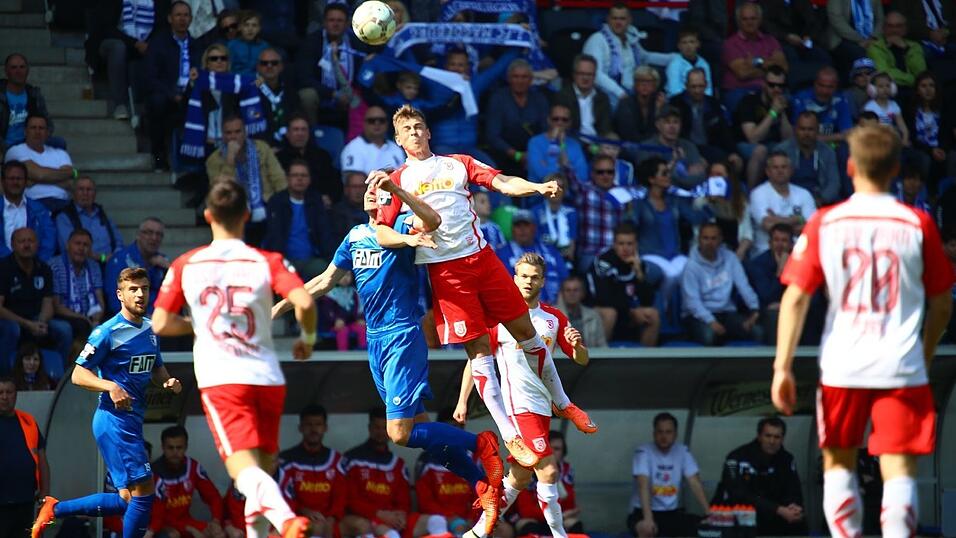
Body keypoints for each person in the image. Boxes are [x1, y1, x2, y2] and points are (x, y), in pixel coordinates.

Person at [272, 177, 504, 533]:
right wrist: (276, 310)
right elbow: (322, 282)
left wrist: (401, 201)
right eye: (368, 188)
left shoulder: (402, 224)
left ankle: (480, 443)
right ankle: (481, 484)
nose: (370, 191)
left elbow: (434, 221)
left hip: (402, 335)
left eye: (379, 188)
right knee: (424, 430)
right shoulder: (353, 237)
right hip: (376, 341)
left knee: (398, 433)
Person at [772, 123, 955, 538]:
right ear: (895, 170)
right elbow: (943, 302)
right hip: (902, 365)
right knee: (899, 469)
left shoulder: (825, 221)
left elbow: (796, 297)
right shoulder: (918, 223)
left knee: (838, 465)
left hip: (843, 365)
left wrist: (781, 367)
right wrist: (923, 354)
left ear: (850, 165)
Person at [372, 105, 574, 467]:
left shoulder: (458, 163)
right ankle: (510, 435)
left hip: (483, 260)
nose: (416, 132)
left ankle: (562, 400)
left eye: (420, 126)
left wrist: (537, 187)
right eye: (408, 129)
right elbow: (382, 231)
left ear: (429, 132)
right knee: (480, 352)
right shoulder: (396, 180)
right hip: (448, 275)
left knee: (527, 333)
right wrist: (410, 242)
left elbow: (502, 182)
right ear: (399, 140)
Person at [151, 180, 318, 538]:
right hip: (268, 377)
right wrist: (307, 339)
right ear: (246, 214)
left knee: (243, 471)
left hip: (222, 377)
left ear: (208, 215)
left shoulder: (186, 264)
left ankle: (286, 520)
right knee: (262, 472)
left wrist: (198, 323)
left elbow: (161, 323)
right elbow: (304, 302)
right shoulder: (266, 260)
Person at [32, 267, 183, 538]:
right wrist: (110, 385)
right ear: (120, 294)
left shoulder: (150, 328)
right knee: (145, 492)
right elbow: (78, 374)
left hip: (132, 421)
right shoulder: (107, 332)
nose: (140, 294)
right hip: (113, 420)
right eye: (133, 289)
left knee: (127, 498)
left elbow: (157, 368)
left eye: (144, 288)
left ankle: (54, 509)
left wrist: (167, 382)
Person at [460, 253, 593, 538]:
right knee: (548, 472)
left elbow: (581, 360)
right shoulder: (499, 319)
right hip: (518, 407)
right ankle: (560, 535)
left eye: (534, 277)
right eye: (523, 275)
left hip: (543, 407)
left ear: (543, 281)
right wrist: (462, 400)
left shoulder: (553, 318)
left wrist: (578, 346)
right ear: (514, 278)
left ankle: (476, 533)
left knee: (519, 478)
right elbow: (477, 360)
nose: (528, 281)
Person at [632, 156, 711, 308]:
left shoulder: (674, 200)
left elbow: (694, 218)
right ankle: (663, 308)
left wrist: (710, 206)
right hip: (650, 254)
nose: (669, 176)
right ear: (651, 179)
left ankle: (688, 313)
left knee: (693, 270)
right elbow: (631, 227)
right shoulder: (639, 204)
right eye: (664, 173)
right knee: (671, 274)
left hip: (675, 254)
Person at [712, 418, 807, 536]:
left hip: (773, 516)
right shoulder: (737, 457)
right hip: (736, 517)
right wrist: (777, 509)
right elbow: (737, 493)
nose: (772, 441)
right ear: (759, 436)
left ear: (782, 439)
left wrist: (794, 506)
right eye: (768, 436)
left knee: (799, 522)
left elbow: (794, 489)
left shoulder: (787, 459)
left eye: (777, 437)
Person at [0, 228, 71, 379]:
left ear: (37, 244)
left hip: (36, 319)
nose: (26, 245)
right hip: (11, 320)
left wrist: (41, 322)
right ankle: (6, 379)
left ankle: (60, 380)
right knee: (12, 330)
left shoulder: (44, 268)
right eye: (22, 241)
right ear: (12, 245)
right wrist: (27, 324)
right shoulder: (3, 268)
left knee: (64, 329)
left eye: (30, 241)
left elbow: (48, 302)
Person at [629, 413, 709, 538]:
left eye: (668, 432)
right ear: (654, 433)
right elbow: (643, 485)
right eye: (660, 432)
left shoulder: (683, 451)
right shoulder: (643, 452)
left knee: (704, 526)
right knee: (647, 529)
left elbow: (695, 483)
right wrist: (648, 519)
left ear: (675, 434)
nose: (664, 436)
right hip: (643, 512)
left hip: (672, 513)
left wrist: (709, 513)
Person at [144, 0, 203, 170]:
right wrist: (172, 94)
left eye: (186, 15)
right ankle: (159, 155)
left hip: (191, 93)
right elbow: (150, 77)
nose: (182, 19)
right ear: (170, 18)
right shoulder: (158, 43)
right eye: (178, 15)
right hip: (167, 94)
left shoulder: (197, 45)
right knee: (157, 102)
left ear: (191, 19)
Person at [681, 222, 763, 345]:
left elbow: (743, 286)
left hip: (727, 313)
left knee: (758, 331)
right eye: (705, 238)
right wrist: (711, 321)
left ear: (720, 240)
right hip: (699, 316)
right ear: (698, 240)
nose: (709, 243)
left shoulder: (730, 258)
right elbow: (692, 302)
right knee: (710, 336)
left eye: (714, 238)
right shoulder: (690, 266)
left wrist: (754, 309)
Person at [582, 3, 676, 104]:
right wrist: (620, 93)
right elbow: (596, 74)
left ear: (629, 20)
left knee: (662, 101)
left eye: (622, 19)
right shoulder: (597, 40)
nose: (618, 22)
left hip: (632, 91)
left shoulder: (630, 38)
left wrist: (675, 57)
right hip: (607, 93)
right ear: (608, 19)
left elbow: (645, 57)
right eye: (615, 18)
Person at [206, 115, 288, 231]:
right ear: (223, 136)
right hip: (235, 210)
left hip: (267, 204)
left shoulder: (262, 148)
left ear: (245, 132)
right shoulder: (213, 160)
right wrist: (230, 160)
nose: (233, 136)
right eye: (228, 133)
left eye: (237, 132)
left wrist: (283, 204)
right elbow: (221, 192)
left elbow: (278, 178)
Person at [587, 223, 662, 346]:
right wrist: (630, 312)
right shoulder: (603, 263)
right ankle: (599, 359)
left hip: (627, 313)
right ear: (614, 244)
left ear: (636, 245)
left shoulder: (639, 264)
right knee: (610, 313)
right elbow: (603, 298)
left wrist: (639, 274)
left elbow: (648, 300)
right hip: (599, 312)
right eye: (621, 244)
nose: (625, 248)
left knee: (652, 314)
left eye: (629, 244)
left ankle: (645, 361)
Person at [277, 405, 347, 537]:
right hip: (297, 518)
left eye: (318, 424)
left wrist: (332, 517)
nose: (313, 429)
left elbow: (341, 495)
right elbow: (282, 495)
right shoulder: (287, 460)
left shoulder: (336, 459)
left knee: (356, 525)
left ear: (325, 428)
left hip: (329, 519)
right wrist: (303, 511)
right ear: (300, 428)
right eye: (308, 425)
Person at [262, 159, 333, 282]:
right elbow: (274, 237)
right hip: (285, 261)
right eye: (295, 175)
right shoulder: (277, 202)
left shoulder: (315, 201)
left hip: (312, 260)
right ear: (287, 178)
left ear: (310, 179)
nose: (299, 179)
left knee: (329, 273)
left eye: (303, 175)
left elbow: (325, 234)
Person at [149, 425, 225, 538]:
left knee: (218, 534)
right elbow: (158, 515)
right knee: (173, 536)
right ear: (163, 448)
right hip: (159, 524)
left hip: (185, 521)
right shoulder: (154, 473)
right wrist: (189, 529)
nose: (175, 452)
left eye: (179, 448)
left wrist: (216, 521)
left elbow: (214, 497)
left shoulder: (193, 467)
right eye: (170, 448)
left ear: (186, 447)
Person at [414, 408, 479, 537]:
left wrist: (472, 518)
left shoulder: (474, 457)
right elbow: (425, 501)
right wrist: (450, 517)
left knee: (500, 528)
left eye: (459, 428)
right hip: (440, 518)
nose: (454, 433)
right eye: (450, 428)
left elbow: (481, 492)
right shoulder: (427, 459)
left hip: (469, 518)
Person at [295, 4, 361, 131]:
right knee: (307, 95)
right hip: (323, 94)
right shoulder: (311, 42)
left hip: (350, 94)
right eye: (331, 20)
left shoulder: (356, 43)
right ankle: (313, 135)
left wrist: (349, 94)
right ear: (324, 22)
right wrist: (334, 94)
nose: (335, 24)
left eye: (339, 21)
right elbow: (305, 78)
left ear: (347, 24)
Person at [0, 375, 50, 535]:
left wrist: (45, 493)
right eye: (0, 392)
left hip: (26, 500)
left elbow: (42, 459)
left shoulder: (28, 420)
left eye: (9, 392)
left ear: (16, 395)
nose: (5, 397)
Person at [484, 59, 550, 176]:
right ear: (509, 79)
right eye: (516, 77)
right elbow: (492, 135)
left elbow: (545, 129)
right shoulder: (498, 98)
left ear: (530, 80)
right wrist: (516, 155)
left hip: (534, 154)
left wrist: (534, 153)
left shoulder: (539, 99)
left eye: (524, 77)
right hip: (504, 156)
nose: (520, 81)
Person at [734, 66, 794, 188]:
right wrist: (772, 112)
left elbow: (788, 138)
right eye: (772, 85)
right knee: (760, 150)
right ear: (764, 84)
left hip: (773, 144)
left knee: (789, 150)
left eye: (780, 86)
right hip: (745, 144)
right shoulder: (749, 102)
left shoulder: (785, 104)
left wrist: (781, 112)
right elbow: (753, 138)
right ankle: (752, 195)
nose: (776, 89)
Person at [748, 151, 816, 256]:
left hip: (800, 253)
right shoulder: (758, 194)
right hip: (766, 253)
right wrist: (797, 219)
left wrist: (776, 219)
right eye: (775, 167)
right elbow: (768, 226)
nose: (780, 171)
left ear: (791, 170)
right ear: (767, 171)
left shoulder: (804, 194)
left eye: (784, 167)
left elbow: (812, 227)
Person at [721, 3, 788, 109]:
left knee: (790, 100)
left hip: (771, 89)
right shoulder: (730, 44)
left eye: (753, 18)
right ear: (739, 22)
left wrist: (757, 62)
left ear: (760, 20)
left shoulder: (771, 41)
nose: (749, 22)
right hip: (741, 91)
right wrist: (770, 66)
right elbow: (743, 73)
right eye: (745, 19)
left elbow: (783, 68)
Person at [495, 210, 568, 305]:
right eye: (518, 226)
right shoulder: (501, 253)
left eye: (526, 225)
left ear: (534, 228)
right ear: (512, 229)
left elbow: (565, 279)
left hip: (555, 305)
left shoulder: (549, 250)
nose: (522, 230)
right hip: (516, 308)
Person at [573, 156, 632, 272]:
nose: (605, 176)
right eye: (600, 172)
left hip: (616, 253)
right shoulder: (583, 191)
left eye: (610, 172)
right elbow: (567, 174)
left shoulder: (623, 194)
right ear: (593, 174)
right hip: (590, 253)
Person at [3, 114, 73, 211]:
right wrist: (63, 176)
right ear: (25, 131)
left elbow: (70, 183)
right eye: (33, 128)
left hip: (62, 204)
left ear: (47, 133)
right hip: (32, 204)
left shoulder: (61, 153)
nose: (37, 131)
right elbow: (40, 175)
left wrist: (34, 180)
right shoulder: (15, 151)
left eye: (41, 128)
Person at [670, 68, 738, 167]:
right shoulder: (675, 103)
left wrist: (733, 152)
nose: (697, 90)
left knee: (734, 162)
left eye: (701, 86)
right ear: (686, 86)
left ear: (706, 85)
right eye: (693, 87)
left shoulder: (713, 104)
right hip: (685, 148)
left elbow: (724, 131)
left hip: (709, 147)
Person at [49, 229, 105, 344]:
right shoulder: (55, 265)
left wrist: (97, 317)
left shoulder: (94, 266)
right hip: (64, 315)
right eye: (77, 244)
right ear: (68, 245)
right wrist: (81, 318)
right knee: (81, 326)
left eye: (85, 245)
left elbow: (99, 298)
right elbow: (56, 305)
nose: (81, 248)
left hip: (89, 315)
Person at [773, 112, 841, 204]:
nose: (806, 133)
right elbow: (775, 182)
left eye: (810, 129)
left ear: (817, 130)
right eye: (802, 129)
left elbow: (834, 183)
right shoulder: (782, 150)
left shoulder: (828, 152)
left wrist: (821, 200)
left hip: (819, 199)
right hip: (789, 200)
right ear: (795, 130)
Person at [104, 217, 168, 314]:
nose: (154, 238)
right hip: (130, 321)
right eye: (149, 232)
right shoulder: (119, 260)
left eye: (159, 234)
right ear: (138, 235)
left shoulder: (163, 262)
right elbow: (115, 303)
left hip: (158, 319)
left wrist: (170, 269)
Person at [635, 105, 707, 189]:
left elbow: (700, 177)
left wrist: (669, 174)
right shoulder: (646, 148)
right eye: (667, 122)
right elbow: (648, 180)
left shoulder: (689, 146)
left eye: (676, 122)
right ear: (658, 125)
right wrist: (682, 172)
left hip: (687, 195)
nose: (672, 127)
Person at [54, 177, 123, 264]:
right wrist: (101, 258)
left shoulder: (103, 215)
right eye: (81, 189)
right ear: (73, 193)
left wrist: (114, 257)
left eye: (89, 190)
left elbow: (119, 242)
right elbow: (69, 248)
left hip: (111, 263)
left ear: (95, 194)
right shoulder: (64, 217)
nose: (85, 193)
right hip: (82, 265)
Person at [746, 223, 794, 345]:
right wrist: (780, 271)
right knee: (774, 314)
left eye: (784, 241)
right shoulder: (759, 264)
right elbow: (767, 296)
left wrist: (786, 304)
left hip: (791, 305)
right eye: (776, 240)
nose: (780, 244)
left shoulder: (799, 260)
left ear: (791, 244)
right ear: (769, 243)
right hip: (764, 309)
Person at [275, 115, 339, 205]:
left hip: (321, 207)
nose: (300, 133)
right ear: (288, 134)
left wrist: (330, 198)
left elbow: (334, 183)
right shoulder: (278, 159)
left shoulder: (322, 156)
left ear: (309, 133)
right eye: (296, 129)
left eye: (303, 129)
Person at [0, 160, 56, 261]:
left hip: (33, 268)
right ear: (3, 182)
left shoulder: (40, 210)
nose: (15, 182)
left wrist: (37, 264)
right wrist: (9, 263)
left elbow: (49, 241)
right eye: (11, 178)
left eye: (19, 178)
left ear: (26, 182)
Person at [0, 53, 51, 155]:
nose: (18, 71)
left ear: (27, 70)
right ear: (6, 71)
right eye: (14, 67)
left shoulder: (34, 94)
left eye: (22, 67)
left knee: (59, 142)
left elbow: (48, 123)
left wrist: (37, 139)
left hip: (30, 144)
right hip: (5, 145)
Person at [551, 54, 612, 137]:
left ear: (594, 76)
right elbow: (564, 127)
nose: (585, 78)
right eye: (581, 73)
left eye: (589, 74)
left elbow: (605, 128)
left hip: (598, 145)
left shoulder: (602, 98)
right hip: (572, 143)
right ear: (574, 74)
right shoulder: (562, 96)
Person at [526, 104, 589, 184]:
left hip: (569, 194)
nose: (560, 123)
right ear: (549, 120)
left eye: (564, 120)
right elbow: (545, 176)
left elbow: (582, 177)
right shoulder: (535, 143)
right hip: (541, 194)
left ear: (569, 123)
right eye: (555, 119)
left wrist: (562, 148)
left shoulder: (575, 144)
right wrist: (553, 144)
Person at [791, 67, 854, 145]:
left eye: (830, 87)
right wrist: (837, 136)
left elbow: (848, 134)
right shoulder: (800, 99)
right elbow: (797, 134)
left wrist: (821, 138)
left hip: (831, 147)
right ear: (815, 83)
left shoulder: (840, 101)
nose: (825, 91)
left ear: (836, 87)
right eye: (821, 85)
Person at [340, 106, 406, 176]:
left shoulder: (396, 149)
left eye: (381, 120)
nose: (377, 123)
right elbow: (354, 182)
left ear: (387, 123)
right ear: (364, 123)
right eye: (371, 121)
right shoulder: (353, 148)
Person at [825, 0, 885, 78]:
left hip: (872, 39)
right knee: (860, 54)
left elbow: (880, 19)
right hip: (844, 39)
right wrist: (860, 39)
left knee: (882, 50)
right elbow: (837, 21)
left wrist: (874, 37)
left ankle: (882, 84)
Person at [867, 12, 927, 90]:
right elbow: (885, 75)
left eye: (898, 26)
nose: (894, 30)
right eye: (890, 26)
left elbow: (921, 73)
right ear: (883, 28)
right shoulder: (875, 47)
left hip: (916, 91)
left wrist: (905, 49)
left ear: (905, 28)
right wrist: (914, 80)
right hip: (888, 91)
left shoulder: (914, 47)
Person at [255, 48, 300, 147]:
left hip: (289, 146)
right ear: (258, 67)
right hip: (261, 147)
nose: (269, 66)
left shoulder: (290, 91)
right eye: (264, 63)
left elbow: (298, 118)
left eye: (274, 63)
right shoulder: (250, 91)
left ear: (281, 67)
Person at [531, 173, 577, 266]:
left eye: (560, 186)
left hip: (565, 259)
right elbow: (535, 241)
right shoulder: (535, 212)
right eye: (552, 187)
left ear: (565, 190)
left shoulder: (571, 213)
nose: (556, 190)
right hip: (542, 259)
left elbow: (572, 244)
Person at [614, 67, 667, 146]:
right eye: (640, 81)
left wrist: (658, 111)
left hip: (654, 147)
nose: (644, 84)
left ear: (655, 85)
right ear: (635, 84)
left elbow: (664, 132)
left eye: (649, 81)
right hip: (629, 146)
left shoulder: (660, 103)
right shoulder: (625, 104)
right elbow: (629, 135)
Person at [556, 275, 607, 349]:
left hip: (590, 358)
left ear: (583, 293)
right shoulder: (553, 316)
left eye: (575, 290)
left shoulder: (593, 316)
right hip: (561, 359)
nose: (572, 293)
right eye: (568, 290)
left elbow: (602, 346)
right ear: (562, 294)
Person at [864, 72, 910, 145]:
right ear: (873, 89)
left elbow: (902, 126)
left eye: (888, 86)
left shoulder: (894, 105)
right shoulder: (870, 107)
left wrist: (905, 139)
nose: (885, 89)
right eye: (881, 86)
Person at [665, 27, 712, 98]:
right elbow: (674, 91)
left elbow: (708, 89)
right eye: (684, 43)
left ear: (698, 44)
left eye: (692, 42)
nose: (688, 46)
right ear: (679, 46)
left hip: (701, 101)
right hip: (679, 102)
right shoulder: (674, 64)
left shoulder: (704, 63)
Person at [227, 11, 269, 76]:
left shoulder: (264, 46)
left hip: (257, 81)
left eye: (254, 25)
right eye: (246, 25)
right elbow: (228, 68)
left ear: (259, 29)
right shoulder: (232, 45)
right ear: (240, 27)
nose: (250, 29)